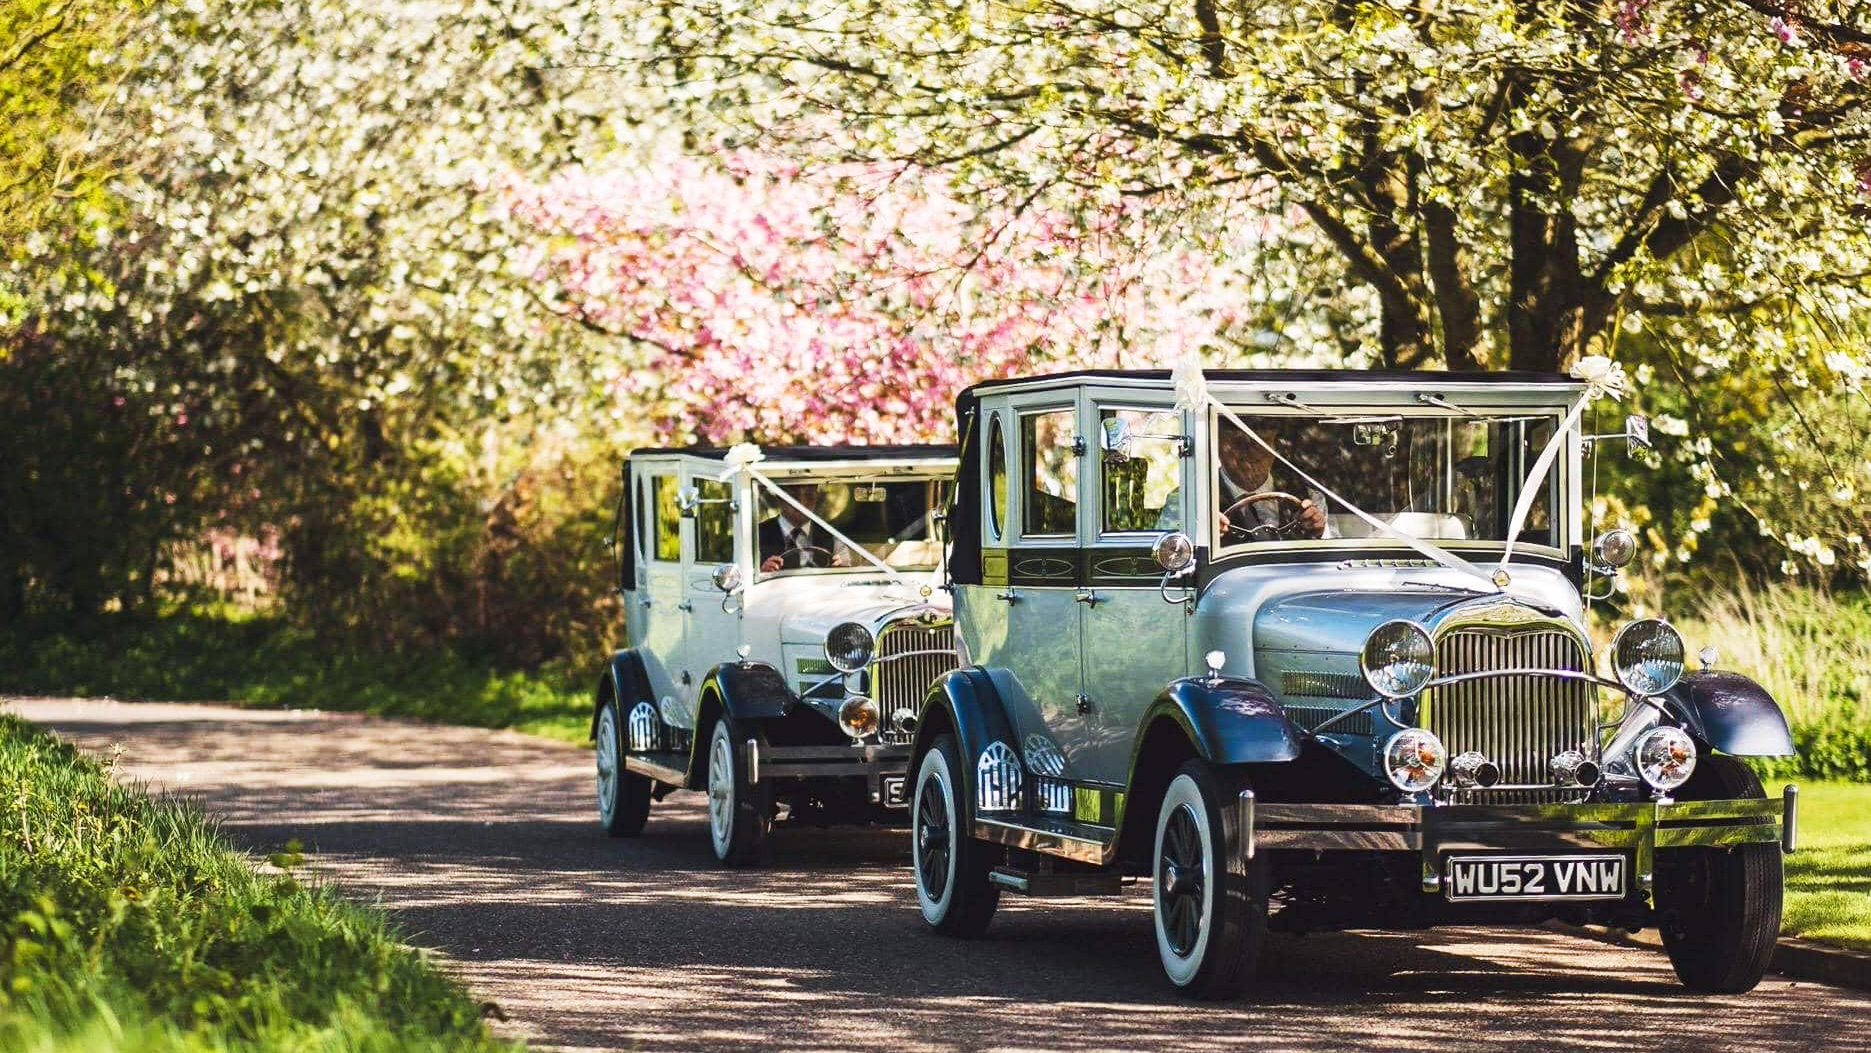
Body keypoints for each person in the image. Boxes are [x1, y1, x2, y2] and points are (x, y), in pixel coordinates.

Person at [1158, 426, 1330, 539]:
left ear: (1275, 448)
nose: (1250, 454)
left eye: (1260, 442)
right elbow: (1167, 553)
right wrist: (1196, 533)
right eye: (1237, 443)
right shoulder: (1186, 501)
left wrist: (1319, 529)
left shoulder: (1311, 499)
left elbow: (1333, 558)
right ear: (1218, 448)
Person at [759, 484, 852, 572]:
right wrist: (761, 572)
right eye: (793, 496)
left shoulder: (832, 535)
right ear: (779, 497)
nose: (802, 503)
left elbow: (846, 574)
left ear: (816, 498)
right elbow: (746, 576)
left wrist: (841, 568)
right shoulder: (757, 535)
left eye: (809, 496)